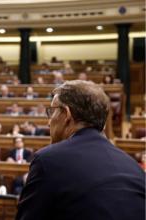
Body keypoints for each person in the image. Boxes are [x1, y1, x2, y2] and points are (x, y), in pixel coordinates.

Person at [16, 80, 145, 220]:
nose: (48, 122)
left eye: (52, 111)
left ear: (66, 114)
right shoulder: (133, 167)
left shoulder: (48, 160)